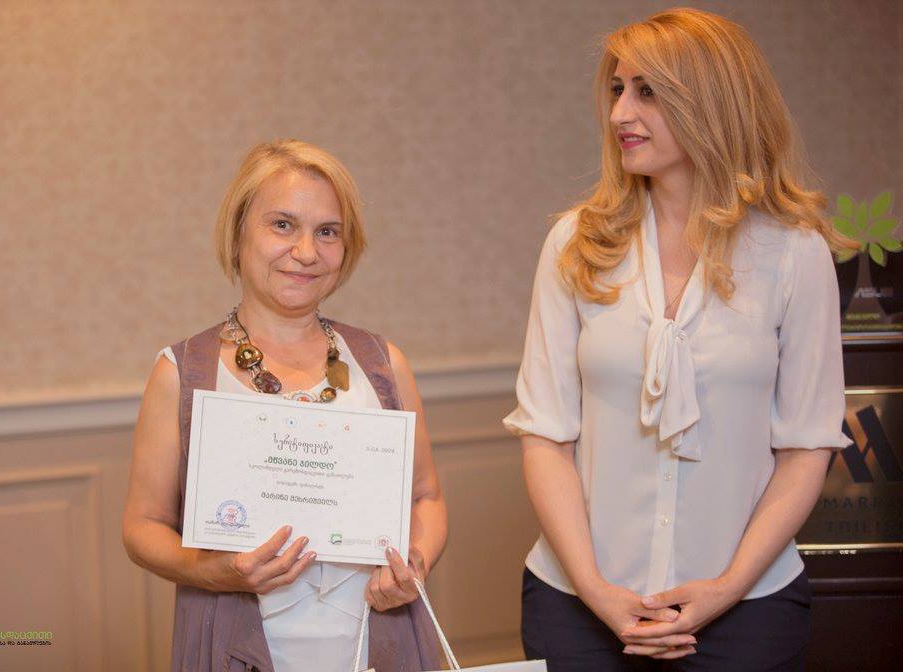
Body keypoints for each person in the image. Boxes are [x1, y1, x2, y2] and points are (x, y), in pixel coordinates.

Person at [503, 8, 853, 672]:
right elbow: (546, 436)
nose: (620, 113)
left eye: (648, 92)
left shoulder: (793, 253)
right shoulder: (575, 244)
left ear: (712, 103)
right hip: (577, 608)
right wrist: (596, 591)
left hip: (749, 611)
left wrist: (726, 588)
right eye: (618, 89)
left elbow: (806, 447)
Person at [122, 139, 447, 672]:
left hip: (377, 642)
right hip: (236, 648)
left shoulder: (384, 364)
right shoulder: (181, 372)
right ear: (238, 234)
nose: (306, 252)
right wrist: (213, 573)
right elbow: (143, 526)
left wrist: (415, 561)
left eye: (328, 232)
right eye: (282, 225)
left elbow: (426, 498)